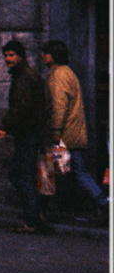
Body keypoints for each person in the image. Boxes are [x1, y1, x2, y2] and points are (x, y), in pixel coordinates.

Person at [41, 40, 108, 214]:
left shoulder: (59, 76)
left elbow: (59, 106)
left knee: (75, 172)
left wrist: (55, 131)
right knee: (71, 172)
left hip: (66, 135)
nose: (42, 55)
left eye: (46, 52)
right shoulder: (65, 73)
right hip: (72, 132)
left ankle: (103, 203)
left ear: (53, 55)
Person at [0, 39, 48, 233]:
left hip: (29, 133)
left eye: (11, 55)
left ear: (20, 56)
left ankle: (32, 218)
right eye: (6, 55)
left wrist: (5, 126)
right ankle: (36, 213)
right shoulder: (25, 75)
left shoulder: (24, 77)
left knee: (20, 174)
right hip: (31, 132)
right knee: (25, 174)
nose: (8, 59)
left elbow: (21, 107)